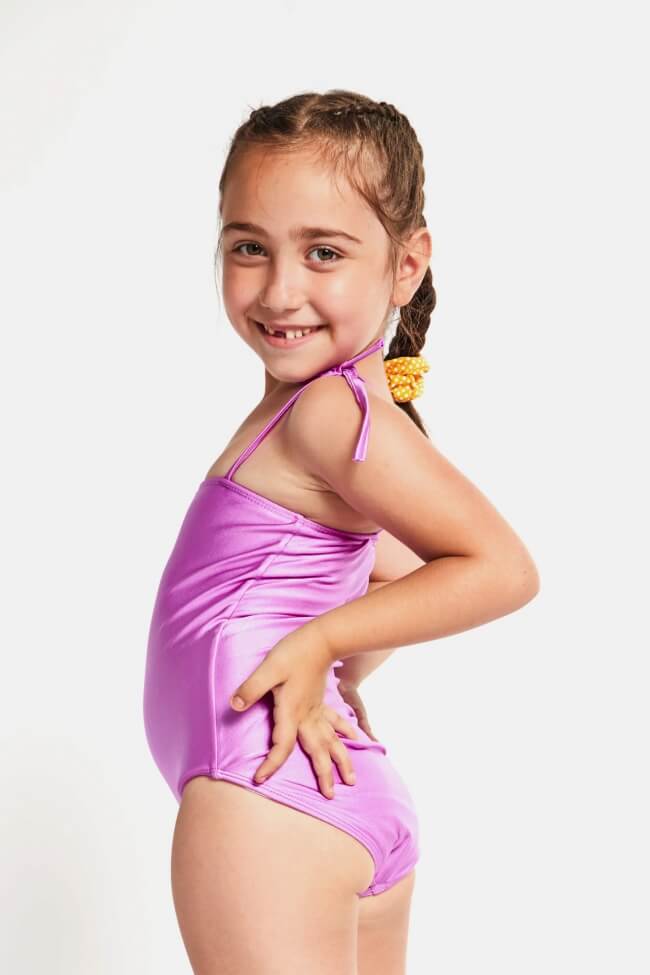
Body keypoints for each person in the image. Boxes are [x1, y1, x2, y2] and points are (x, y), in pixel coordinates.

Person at [142, 89, 540, 975]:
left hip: (266, 798)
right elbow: (395, 572)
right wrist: (334, 671)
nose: (279, 289)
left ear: (406, 265)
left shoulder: (330, 411)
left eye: (323, 252)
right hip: (330, 784)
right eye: (249, 247)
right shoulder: (329, 411)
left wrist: (320, 641)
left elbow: (501, 567)